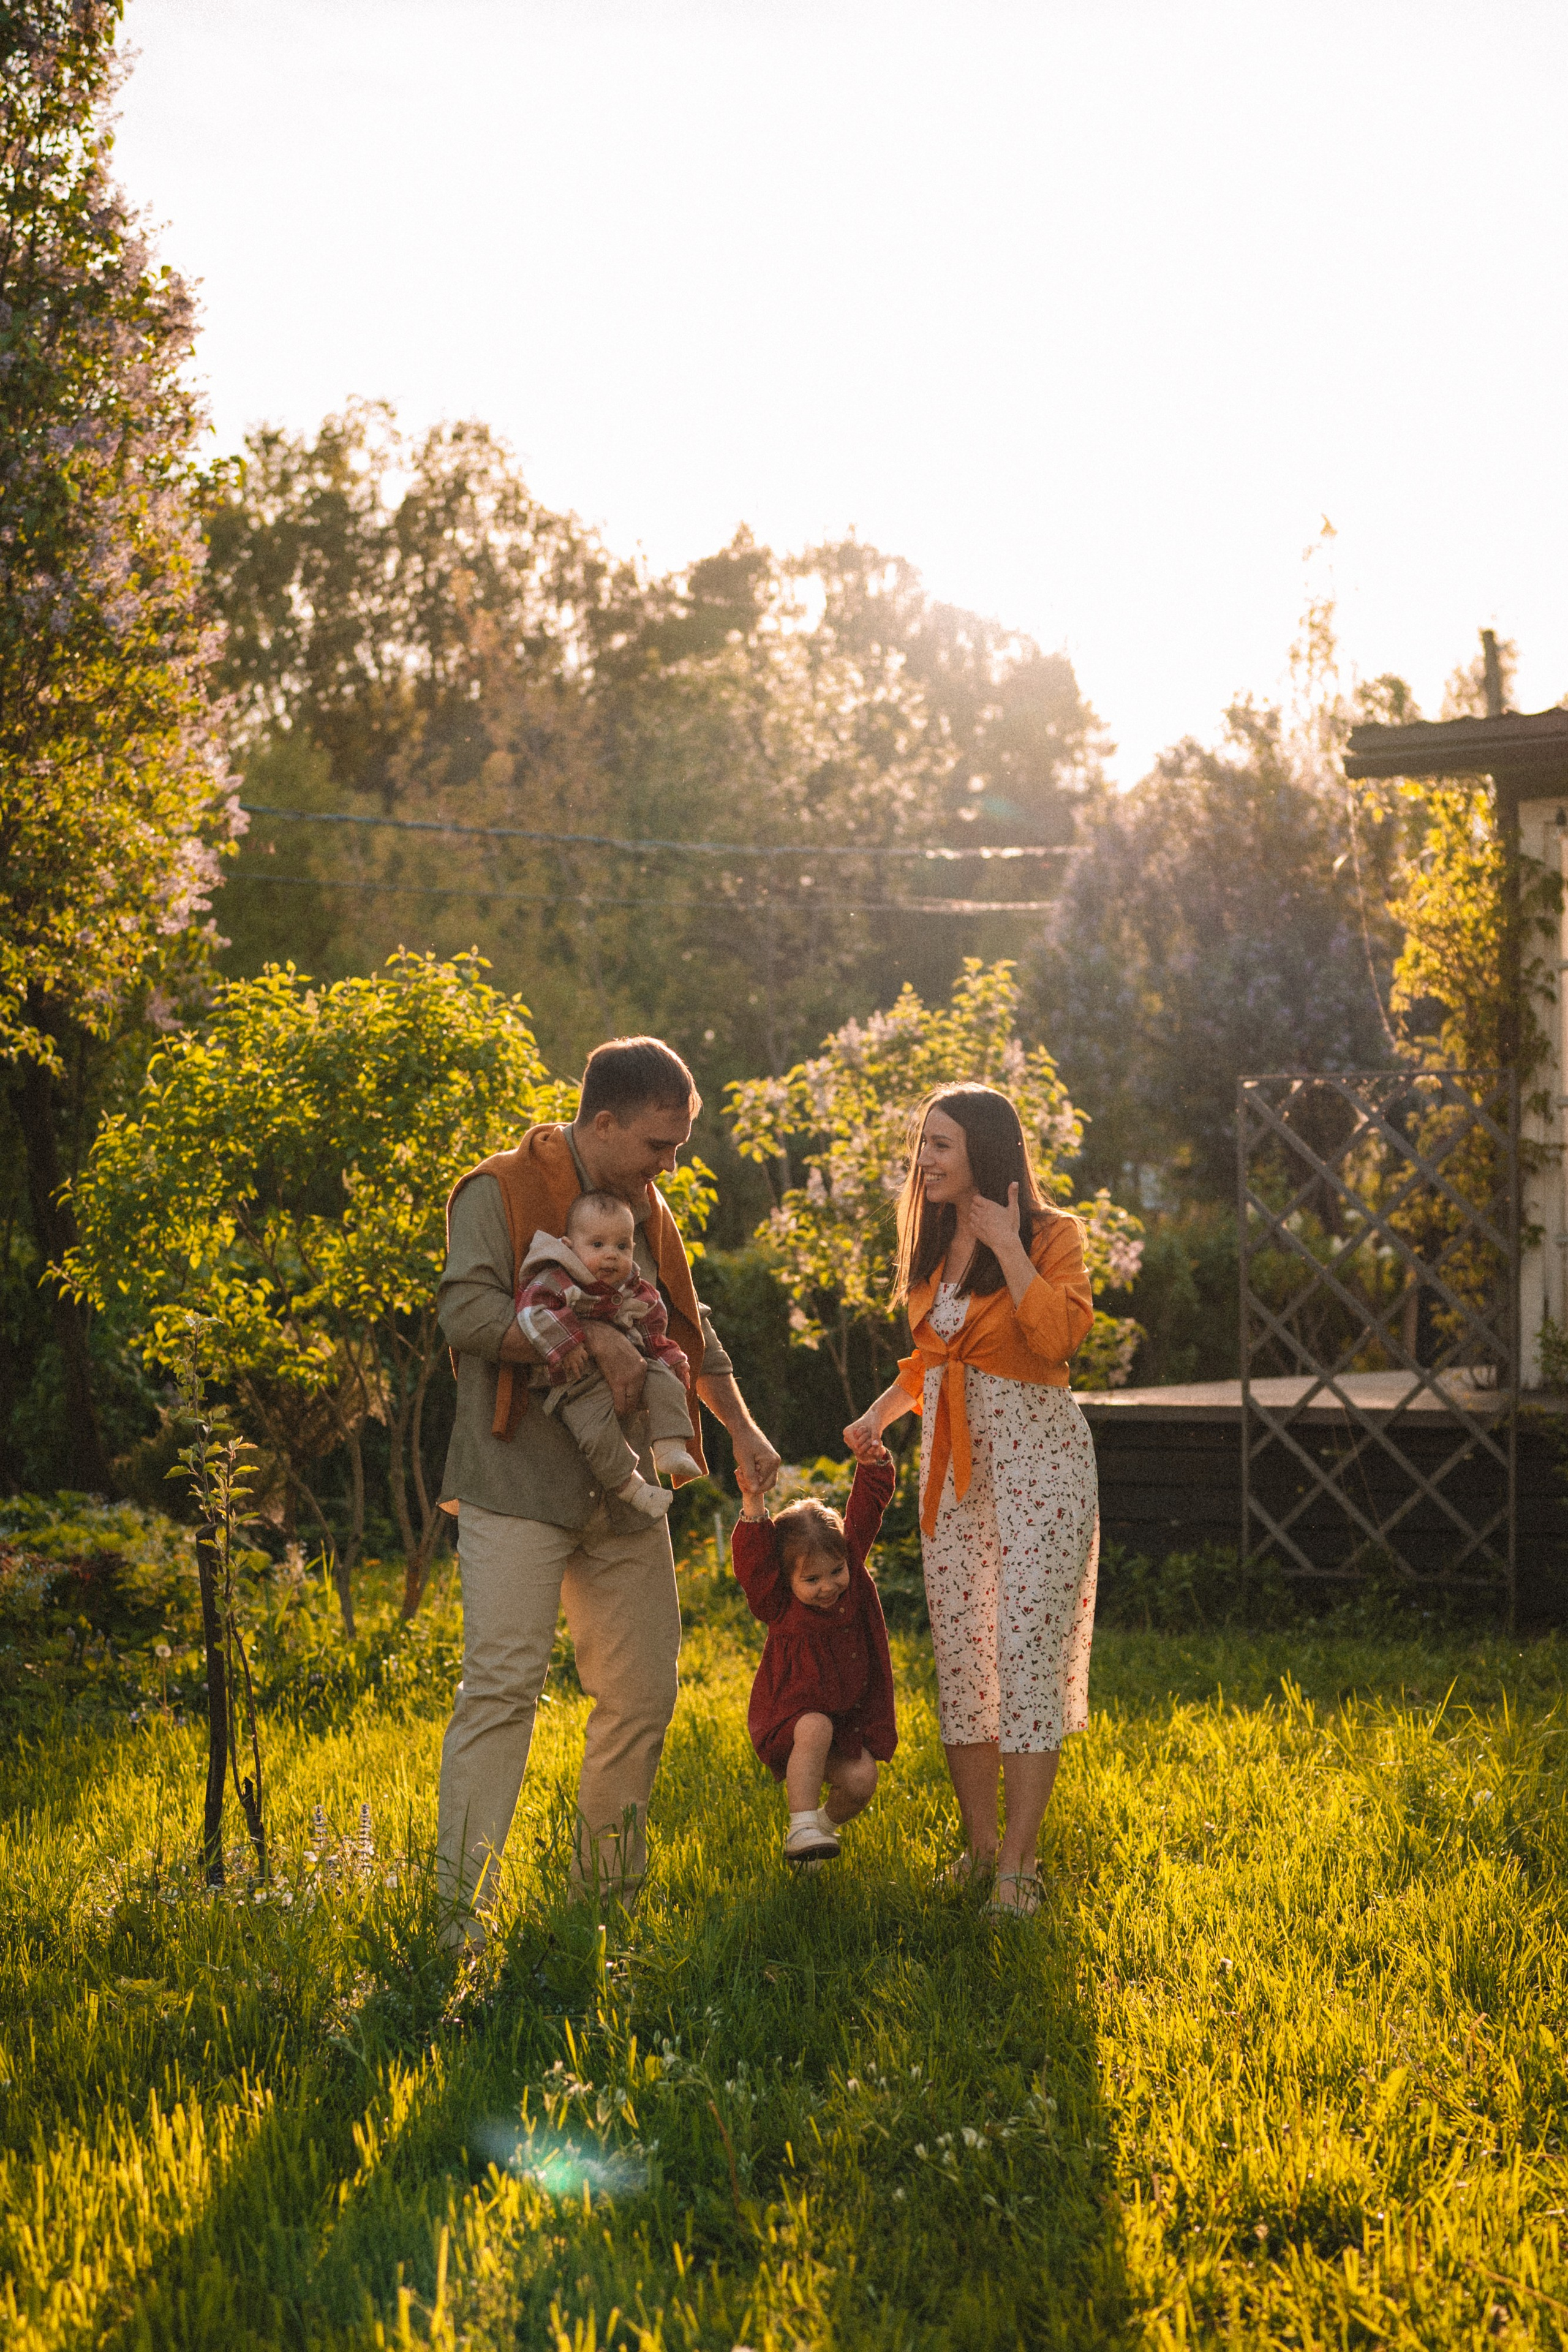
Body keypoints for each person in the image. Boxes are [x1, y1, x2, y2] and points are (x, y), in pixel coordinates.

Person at [435, 1035, 780, 1935]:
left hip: (626, 1493)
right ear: (601, 1121)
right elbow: (465, 1312)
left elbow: (691, 1327)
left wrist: (740, 1431)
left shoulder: (644, 1209)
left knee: (641, 1698)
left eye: (680, 1143)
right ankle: (455, 1922)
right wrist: (590, 1339)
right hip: (517, 1480)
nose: (672, 1163)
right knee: (503, 1692)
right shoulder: (498, 1190)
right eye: (659, 1145)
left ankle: (601, 1909)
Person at [843, 1084, 1098, 1917]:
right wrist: (880, 1413)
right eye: (924, 1144)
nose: (926, 1160)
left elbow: (1056, 1340)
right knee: (967, 1659)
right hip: (954, 1477)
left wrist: (1009, 1247)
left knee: (1026, 1653)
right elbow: (930, 1363)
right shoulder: (930, 1245)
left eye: (943, 1145)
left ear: (987, 1150)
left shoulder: (1052, 1236)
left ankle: (1020, 1866)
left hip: (1040, 1468)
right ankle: (982, 1848)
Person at [731, 1446, 898, 1866]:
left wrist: (873, 1459)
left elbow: (865, 1512)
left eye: (835, 1571)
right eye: (811, 1578)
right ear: (786, 1580)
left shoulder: (853, 1580)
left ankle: (817, 1836)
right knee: (815, 1725)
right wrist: (754, 1502)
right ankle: (800, 1825)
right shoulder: (779, 1603)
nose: (828, 1586)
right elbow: (754, 1563)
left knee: (862, 1781)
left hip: (844, 1718)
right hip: (791, 1717)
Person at [514, 1189, 703, 1520]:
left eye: (622, 1246)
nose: (611, 1256)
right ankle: (631, 1488)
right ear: (569, 1246)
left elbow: (651, 1330)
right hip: (576, 1382)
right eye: (597, 1245)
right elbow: (532, 1311)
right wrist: (570, 1342)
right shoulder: (557, 1278)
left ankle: (671, 1446)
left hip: (632, 1364)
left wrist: (670, 1357)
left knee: (666, 1380)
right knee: (596, 1436)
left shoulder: (633, 1287)